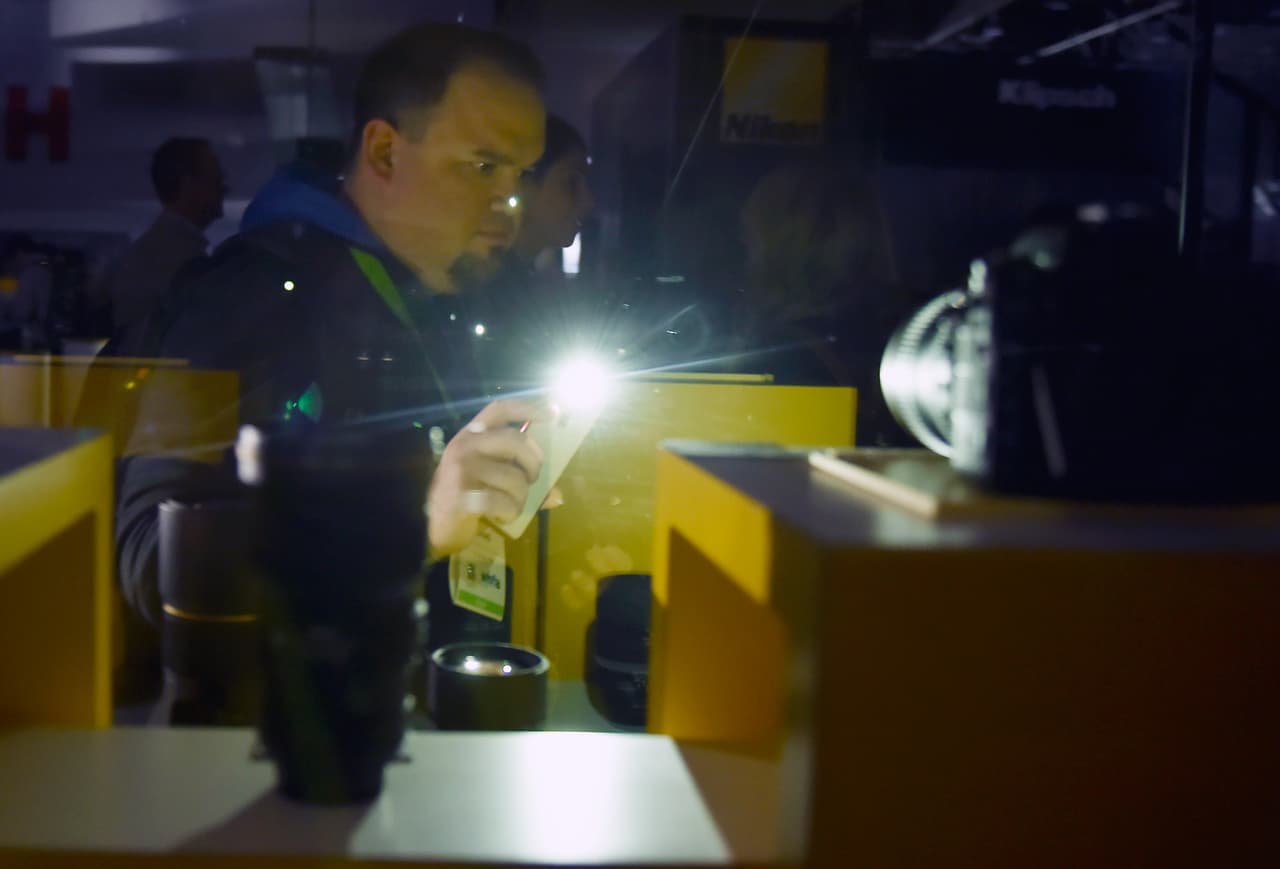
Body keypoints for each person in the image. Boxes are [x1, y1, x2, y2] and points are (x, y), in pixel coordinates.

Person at [115, 22, 548, 641]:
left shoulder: (438, 298)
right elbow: (152, 560)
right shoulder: (250, 297)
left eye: (524, 174)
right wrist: (409, 525)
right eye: (484, 166)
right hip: (275, 727)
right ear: (383, 153)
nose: (511, 205)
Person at [732, 159, 913, 446]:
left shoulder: (777, 356)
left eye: (749, 243)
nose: (745, 262)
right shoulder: (909, 337)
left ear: (782, 248)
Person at [97, 137, 227, 347]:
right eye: (215, 177)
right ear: (188, 184)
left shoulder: (153, 253)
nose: (224, 186)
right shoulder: (171, 259)